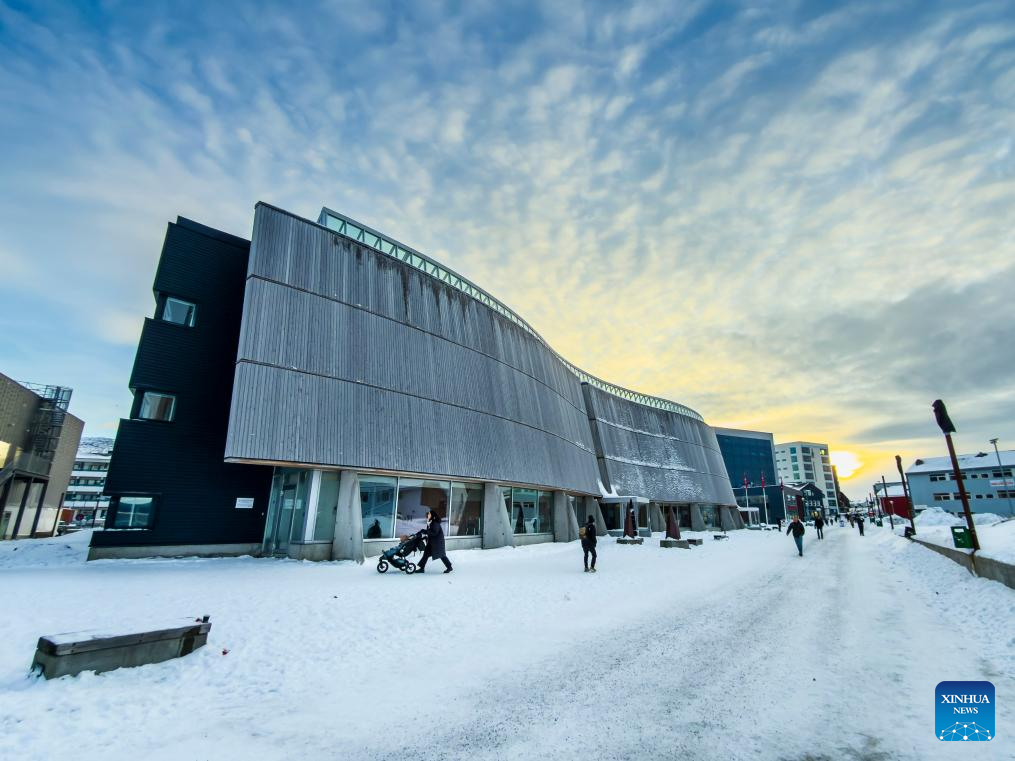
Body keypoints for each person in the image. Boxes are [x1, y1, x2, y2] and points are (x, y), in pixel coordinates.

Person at [415, 509, 452, 574]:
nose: (428, 515)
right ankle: (422, 568)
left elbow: (434, 532)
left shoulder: (435, 523)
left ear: (432, 515)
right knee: (426, 554)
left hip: (437, 543)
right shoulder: (430, 522)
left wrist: (425, 532)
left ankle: (449, 567)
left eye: (429, 514)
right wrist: (425, 532)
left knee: (441, 555)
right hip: (431, 542)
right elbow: (430, 531)